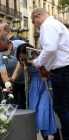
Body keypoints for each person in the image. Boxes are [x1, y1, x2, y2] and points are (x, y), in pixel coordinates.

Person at [29, 7, 69, 140]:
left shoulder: (48, 25)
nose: (35, 26)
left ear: (37, 17)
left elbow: (50, 48)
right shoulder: (56, 24)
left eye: (33, 23)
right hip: (63, 70)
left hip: (61, 71)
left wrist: (37, 61)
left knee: (61, 107)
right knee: (64, 106)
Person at [8, 43, 57, 140]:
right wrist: (12, 80)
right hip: (33, 88)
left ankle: (56, 135)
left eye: (26, 58)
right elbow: (17, 70)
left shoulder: (41, 56)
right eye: (22, 59)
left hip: (45, 85)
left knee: (44, 112)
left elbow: (51, 69)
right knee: (35, 114)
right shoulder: (22, 61)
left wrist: (43, 71)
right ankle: (45, 138)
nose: (25, 61)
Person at [0, 34, 26, 109]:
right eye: (0, 50)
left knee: (26, 104)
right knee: (14, 106)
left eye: (5, 49)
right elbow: (4, 73)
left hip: (26, 80)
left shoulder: (21, 44)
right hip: (13, 82)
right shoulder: (0, 56)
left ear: (9, 43)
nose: (3, 52)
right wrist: (7, 84)